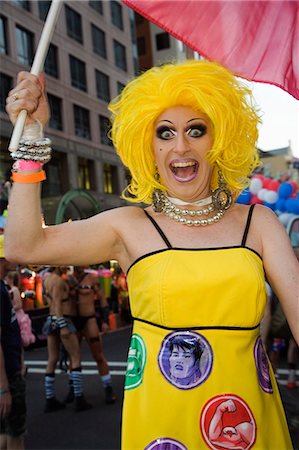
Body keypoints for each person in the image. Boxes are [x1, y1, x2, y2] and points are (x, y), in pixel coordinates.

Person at [4, 60, 299, 449]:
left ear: (220, 139)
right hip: (162, 422)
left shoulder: (258, 222)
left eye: (196, 130)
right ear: (149, 145)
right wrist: (30, 140)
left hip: (247, 423)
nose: (181, 146)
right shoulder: (128, 226)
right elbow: (25, 245)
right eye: (165, 133)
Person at [42, 267, 91, 412]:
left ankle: (50, 398)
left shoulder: (47, 280)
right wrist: (63, 326)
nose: (67, 266)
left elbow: (46, 301)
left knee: (52, 359)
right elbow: (57, 302)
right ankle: (79, 398)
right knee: (75, 357)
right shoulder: (58, 281)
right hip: (63, 319)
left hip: (51, 319)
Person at [64, 266, 116, 404]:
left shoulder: (92, 279)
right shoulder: (67, 280)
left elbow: (102, 299)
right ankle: (73, 389)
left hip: (89, 319)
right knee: (73, 357)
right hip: (73, 320)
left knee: (98, 355)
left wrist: (105, 320)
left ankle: (108, 387)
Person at [0, 237, 26, 450]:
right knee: (15, 433)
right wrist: (3, 388)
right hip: (6, 375)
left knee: (5, 431)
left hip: (10, 369)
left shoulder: (3, 288)